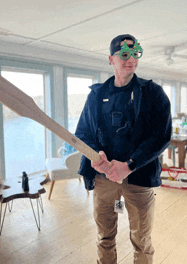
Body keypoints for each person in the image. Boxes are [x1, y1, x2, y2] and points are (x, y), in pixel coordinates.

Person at [75, 34, 172, 264]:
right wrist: (95, 154)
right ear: (111, 59)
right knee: (105, 235)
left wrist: (130, 165)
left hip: (138, 180)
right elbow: (83, 133)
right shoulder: (97, 95)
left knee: (141, 239)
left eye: (135, 54)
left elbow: (162, 135)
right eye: (125, 55)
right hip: (105, 181)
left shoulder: (153, 93)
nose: (131, 60)